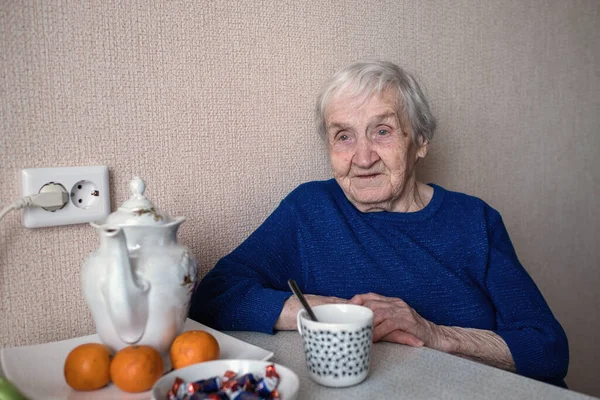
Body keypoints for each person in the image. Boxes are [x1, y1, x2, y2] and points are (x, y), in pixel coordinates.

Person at [188, 60, 569, 387]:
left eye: (382, 131)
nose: (363, 156)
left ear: (419, 141)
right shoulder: (310, 210)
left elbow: (548, 349)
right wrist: (327, 313)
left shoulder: (474, 221)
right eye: (344, 136)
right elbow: (215, 295)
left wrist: (434, 334)